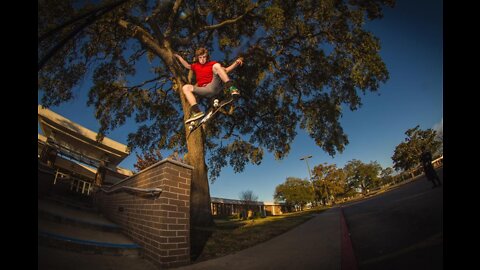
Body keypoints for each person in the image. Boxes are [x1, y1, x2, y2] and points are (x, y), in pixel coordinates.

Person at [174, 47, 243, 124]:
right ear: (198, 58)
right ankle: (197, 112)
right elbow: (186, 65)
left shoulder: (212, 64)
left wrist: (236, 63)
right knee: (185, 87)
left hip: (214, 85)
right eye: (200, 57)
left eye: (204, 57)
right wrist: (179, 57)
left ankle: (232, 88)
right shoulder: (195, 66)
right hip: (205, 90)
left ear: (207, 57)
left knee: (217, 66)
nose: (202, 59)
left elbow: (226, 70)